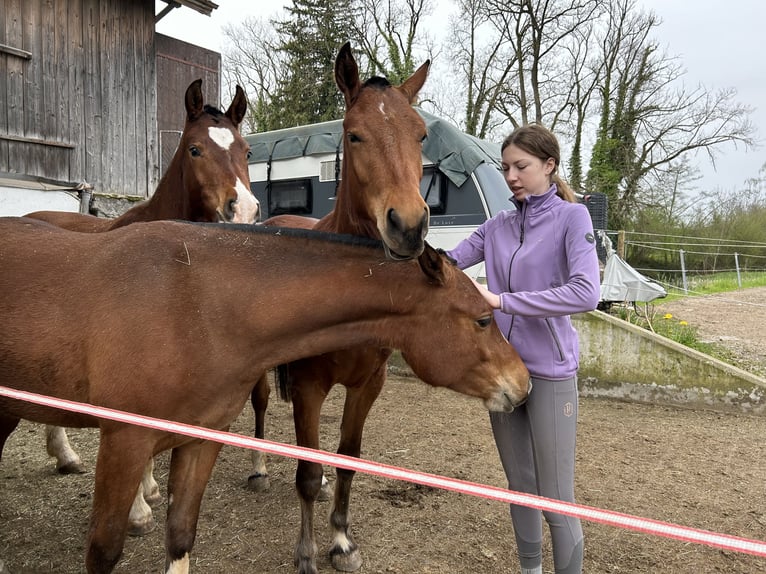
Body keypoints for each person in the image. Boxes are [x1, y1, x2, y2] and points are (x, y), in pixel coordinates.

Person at [447, 123, 601, 574]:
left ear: (549, 166)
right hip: (501, 370)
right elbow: (449, 262)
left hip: (550, 373)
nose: (511, 175)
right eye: (505, 167)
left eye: (521, 166)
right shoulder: (497, 225)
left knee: (555, 495)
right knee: (519, 486)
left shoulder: (574, 219)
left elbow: (585, 292)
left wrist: (503, 301)